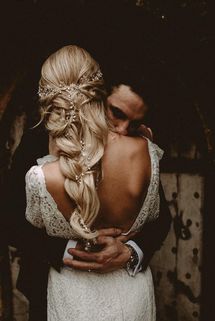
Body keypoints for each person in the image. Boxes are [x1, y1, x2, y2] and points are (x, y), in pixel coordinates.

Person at [1, 49, 171, 321]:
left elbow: (160, 219)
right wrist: (69, 251)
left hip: (125, 291)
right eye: (117, 113)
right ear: (96, 97)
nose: (124, 129)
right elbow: (9, 214)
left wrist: (130, 252)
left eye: (135, 122)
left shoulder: (140, 147)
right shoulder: (40, 139)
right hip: (53, 286)